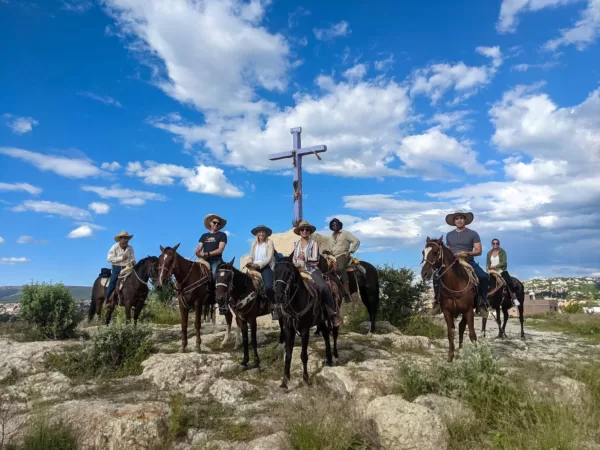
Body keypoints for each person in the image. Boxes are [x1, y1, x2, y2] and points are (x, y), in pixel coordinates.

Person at [432, 210, 488, 315]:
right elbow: (447, 250)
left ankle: (482, 303)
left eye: (461, 218)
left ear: (465, 220)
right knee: (436, 276)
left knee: (484, 277)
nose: (459, 220)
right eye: (457, 218)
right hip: (452, 262)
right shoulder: (449, 235)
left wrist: (466, 253)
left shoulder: (473, 234)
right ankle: (438, 302)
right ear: (454, 221)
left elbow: (478, 251)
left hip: (467, 260)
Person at [292, 220, 341, 327]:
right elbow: (294, 259)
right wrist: (295, 264)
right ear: (299, 232)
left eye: (307, 230)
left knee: (323, 287)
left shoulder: (314, 243)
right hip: (298, 270)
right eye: (302, 229)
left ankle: (332, 313)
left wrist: (305, 258)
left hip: (312, 270)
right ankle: (285, 312)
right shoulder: (296, 244)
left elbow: (316, 260)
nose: (304, 231)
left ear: (309, 232)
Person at [195, 214, 228, 313]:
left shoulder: (222, 235)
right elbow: (199, 247)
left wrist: (207, 253)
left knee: (214, 275)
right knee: (194, 273)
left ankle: (221, 302)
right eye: (214, 222)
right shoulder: (204, 236)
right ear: (210, 223)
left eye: (218, 224)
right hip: (204, 260)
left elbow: (220, 249)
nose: (216, 225)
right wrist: (197, 252)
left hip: (215, 260)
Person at [328, 218, 360, 302]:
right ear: (331, 226)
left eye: (337, 224)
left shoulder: (345, 234)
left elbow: (356, 241)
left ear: (340, 225)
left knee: (341, 268)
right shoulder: (330, 238)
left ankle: (347, 292)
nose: (335, 226)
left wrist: (350, 251)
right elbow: (331, 249)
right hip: (333, 256)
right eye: (333, 225)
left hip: (343, 255)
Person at [246, 224, 276, 310]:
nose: (261, 234)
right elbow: (251, 255)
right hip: (253, 267)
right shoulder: (253, 243)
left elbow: (269, 257)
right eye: (259, 232)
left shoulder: (269, 242)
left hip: (265, 267)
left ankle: (274, 305)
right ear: (257, 234)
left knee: (268, 287)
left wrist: (259, 265)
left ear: (266, 233)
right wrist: (249, 262)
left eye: (263, 232)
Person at [486, 238, 520, 306]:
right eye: (494, 243)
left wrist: (495, 266)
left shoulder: (502, 252)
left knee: (508, 281)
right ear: (492, 244)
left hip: (501, 270)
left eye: (497, 243)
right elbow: (488, 263)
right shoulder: (489, 253)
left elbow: (504, 262)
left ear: (499, 244)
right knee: (484, 281)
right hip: (491, 271)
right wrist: (488, 267)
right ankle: (483, 299)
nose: (495, 244)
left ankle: (514, 298)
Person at [106, 230, 136, 303]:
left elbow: (133, 258)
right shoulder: (114, 247)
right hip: (117, 267)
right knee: (112, 282)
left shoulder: (130, 248)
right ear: (120, 239)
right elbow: (109, 259)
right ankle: (107, 299)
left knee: (137, 278)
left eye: (127, 239)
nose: (126, 240)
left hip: (128, 267)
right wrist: (121, 258)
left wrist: (133, 261)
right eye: (124, 238)